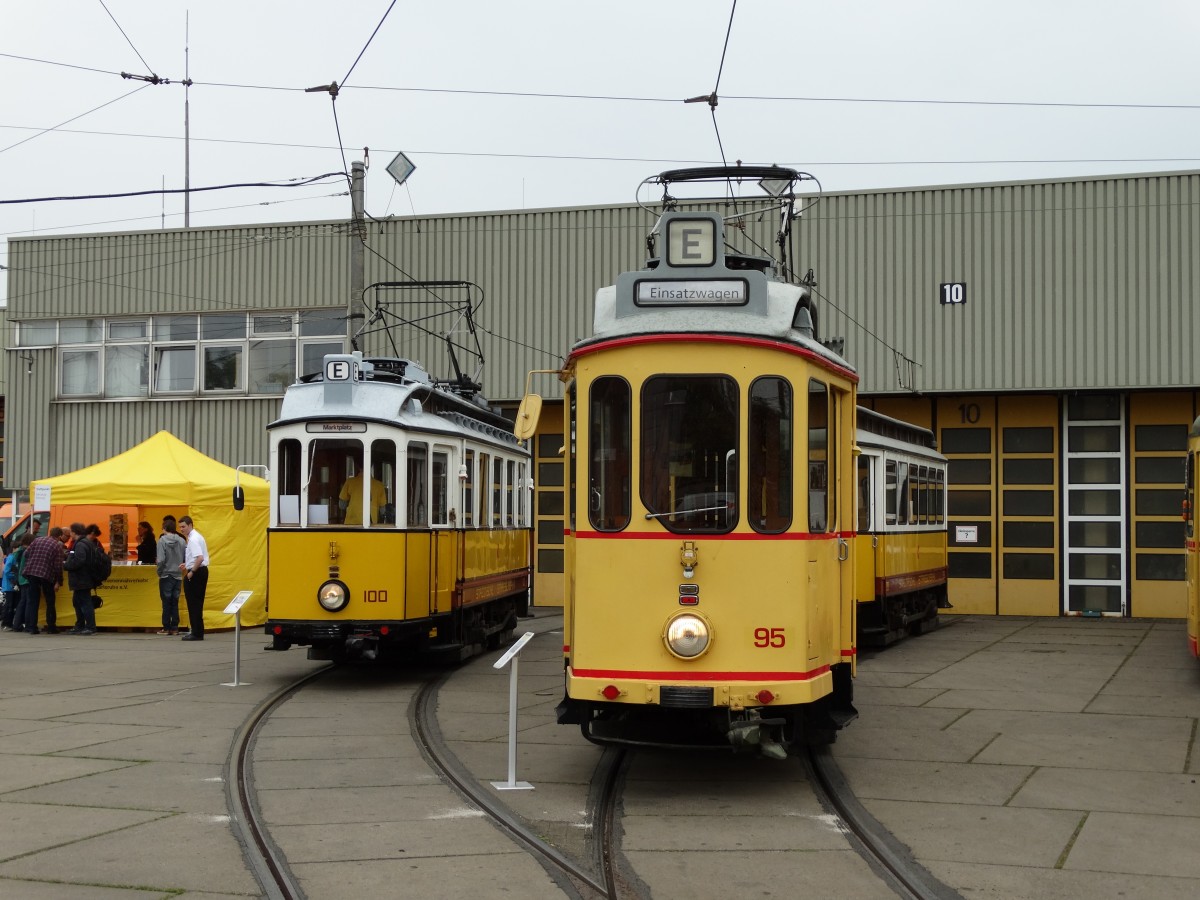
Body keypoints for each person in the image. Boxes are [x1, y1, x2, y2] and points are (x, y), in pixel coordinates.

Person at [21, 526, 66, 634]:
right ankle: (51, 627)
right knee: (50, 601)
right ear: (60, 536)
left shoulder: (37, 540)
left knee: (33, 601)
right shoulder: (57, 546)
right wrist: (59, 581)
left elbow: (26, 554)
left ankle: (32, 627)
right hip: (46, 575)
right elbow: (58, 566)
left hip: (31, 573)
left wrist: (34, 561)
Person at [62, 522, 98, 635]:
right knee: (77, 602)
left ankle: (90, 627)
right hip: (84, 578)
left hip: (81, 578)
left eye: (71, 532)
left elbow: (79, 561)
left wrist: (66, 565)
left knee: (85, 603)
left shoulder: (80, 545)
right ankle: (80, 625)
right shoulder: (86, 542)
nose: (70, 535)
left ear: (74, 532)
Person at [178, 515, 209, 641]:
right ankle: (197, 630)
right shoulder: (196, 537)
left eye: (183, 526)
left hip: (197, 572)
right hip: (200, 570)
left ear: (190, 525)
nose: (181, 529)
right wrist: (187, 564)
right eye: (180, 527)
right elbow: (197, 557)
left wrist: (191, 571)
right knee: (197, 602)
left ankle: (196, 632)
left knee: (193, 603)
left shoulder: (193, 539)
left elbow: (200, 558)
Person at [156, 516, 186, 635]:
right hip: (178, 575)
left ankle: (166, 627)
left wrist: (159, 571)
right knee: (175, 601)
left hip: (166, 575)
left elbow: (161, 560)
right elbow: (185, 557)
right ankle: (175, 627)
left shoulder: (162, 541)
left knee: (166, 602)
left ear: (164, 528)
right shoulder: (182, 541)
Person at [339, 451, 387, 525]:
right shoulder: (379, 485)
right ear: (371, 465)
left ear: (357, 465)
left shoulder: (350, 482)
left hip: (351, 524)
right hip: (371, 525)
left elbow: (342, 506)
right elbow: (383, 511)